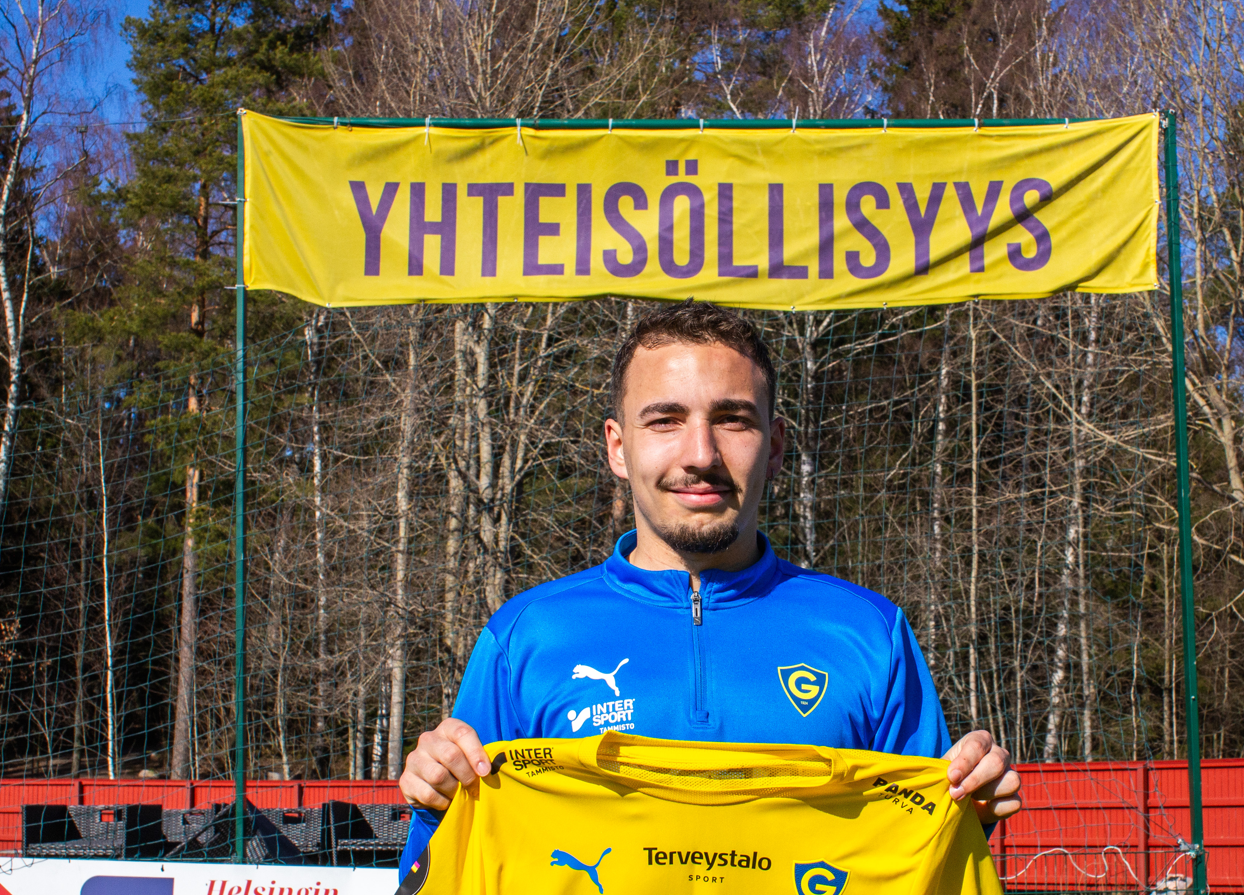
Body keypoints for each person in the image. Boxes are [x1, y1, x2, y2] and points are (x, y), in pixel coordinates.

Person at [398, 301, 1021, 829]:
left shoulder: (869, 635)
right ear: (618, 447)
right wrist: (436, 804)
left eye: (732, 420)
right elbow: (454, 888)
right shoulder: (525, 638)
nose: (701, 453)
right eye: (665, 421)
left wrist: (969, 814)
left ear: (774, 447)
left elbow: (920, 870)